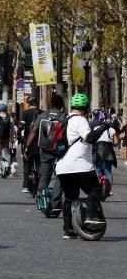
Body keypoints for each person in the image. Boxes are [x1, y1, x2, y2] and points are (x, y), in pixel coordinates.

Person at [56, 93, 110, 238]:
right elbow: (90, 138)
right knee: (96, 190)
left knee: (69, 197)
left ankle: (68, 230)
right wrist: (103, 126)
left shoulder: (64, 119)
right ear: (86, 108)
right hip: (80, 165)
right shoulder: (80, 120)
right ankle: (90, 216)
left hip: (62, 166)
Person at [25, 94, 65, 197]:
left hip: (45, 149)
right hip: (60, 151)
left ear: (50, 104)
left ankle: (41, 199)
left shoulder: (43, 115)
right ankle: (56, 198)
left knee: (45, 175)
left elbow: (34, 132)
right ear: (61, 105)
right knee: (60, 175)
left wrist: (27, 147)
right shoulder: (64, 116)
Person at [21, 97, 42, 192]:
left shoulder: (25, 113)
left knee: (27, 164)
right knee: (39, 164)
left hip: (28, 141)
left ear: (28, 103)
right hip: (40, 142)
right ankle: (40, 184)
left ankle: (26, 185)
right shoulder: (42, 113)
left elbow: (21, 126)